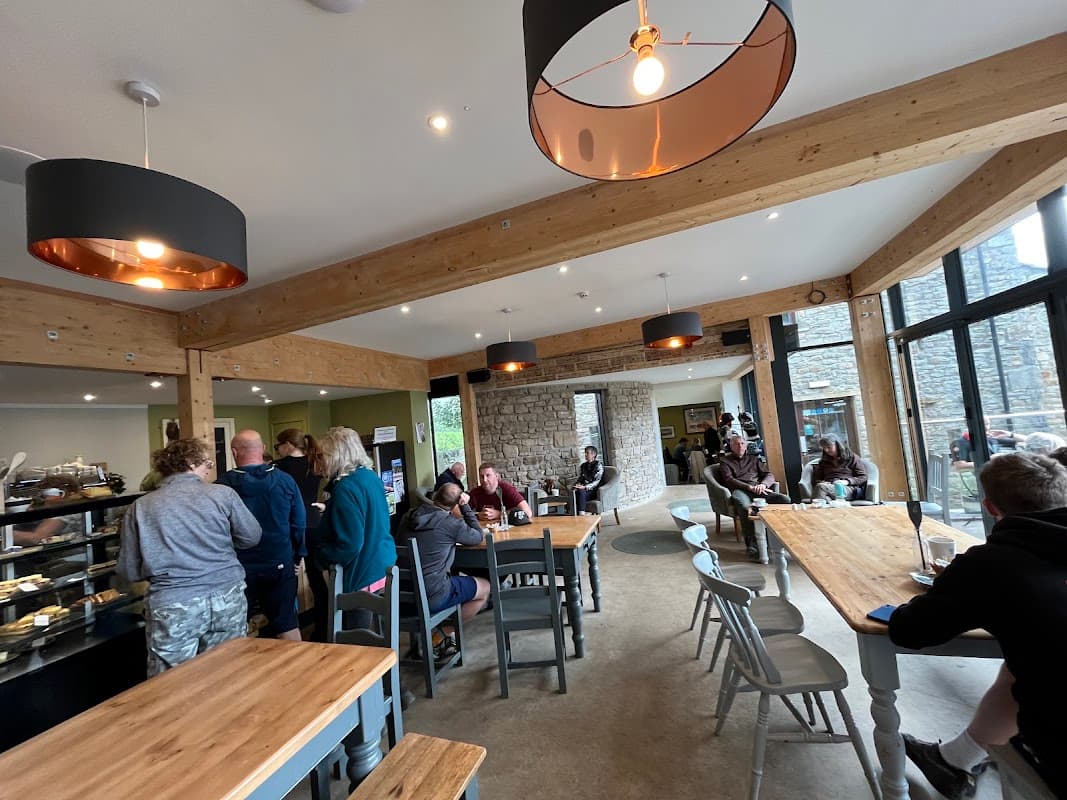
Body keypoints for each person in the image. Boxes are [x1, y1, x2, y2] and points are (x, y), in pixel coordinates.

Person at [889, 452, 1067, 799]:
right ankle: (954, 760)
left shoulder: (992, 564)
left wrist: (950, 586)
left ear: (989, 506)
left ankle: (964, 760)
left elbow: (909, 631)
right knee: (1019, 670)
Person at [117, 438, 262, 676]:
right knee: (228, 671)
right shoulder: (223, 495)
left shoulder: (141, 507)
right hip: (227, 596)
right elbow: (251, 537)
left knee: (171, 682)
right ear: (189, 463)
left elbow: (129, 570)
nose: (209, 467)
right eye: (206, 462)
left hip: (174, 603)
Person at [217, 430, 306, 641]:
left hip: (237, 568)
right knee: (286, 623)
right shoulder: (285, 481)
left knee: (235, 628)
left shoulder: (222, 486)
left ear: (233, 452)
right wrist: (298, 554)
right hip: (279, 561)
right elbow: (299, 522)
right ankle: (296, 671)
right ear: (264, 449)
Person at [316, 427, 397, 602]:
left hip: (360, 572)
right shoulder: (371, 476)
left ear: (336, 455)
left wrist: (322, 558)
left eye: (323, 455)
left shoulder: (345, 488)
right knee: (381, 628)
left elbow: (350, 544)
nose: (321, 461)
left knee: (353, 629)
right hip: (382, 563)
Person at [397, 483, 489, 623]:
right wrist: (465, 507)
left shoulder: (408, 516)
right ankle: (446, 634)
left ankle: (437, 630)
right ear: (457, 502)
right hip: (431, 597)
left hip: (399, 596)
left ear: (435, 496)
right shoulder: (451, 524)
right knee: (485, 587)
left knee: (451, 580)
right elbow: (478, 536)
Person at [273, 428, 329, 641]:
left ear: (288, 444)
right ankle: (323, 629)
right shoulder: (315, 464)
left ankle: (290, 629)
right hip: (314, 523)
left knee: (288, 579)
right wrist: (324, 505)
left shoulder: (279, 469)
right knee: (317, 581)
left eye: (278, 445)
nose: (277, 450)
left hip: (290, 526)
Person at [718, 432, 791, 560]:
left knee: (784, 499)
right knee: (745, 507)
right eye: (736, 444)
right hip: (740, 490)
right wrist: (749, 487)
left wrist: (763, 485)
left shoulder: (754, 459)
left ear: (746, 445)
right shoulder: (725, 461)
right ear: (731, 446)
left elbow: (769, 475)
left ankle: (779, 535)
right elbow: (729, 480)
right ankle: (752, 544)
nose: (739, 446)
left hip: (758, 489)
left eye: (742, 443)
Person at [468, 462, 533, 523]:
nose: (484, 480)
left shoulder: (506, 488)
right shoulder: (475, 492)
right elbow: (459, 514)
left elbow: (527, 512)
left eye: (488, 475)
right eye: (482, 476)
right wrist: (478, 516)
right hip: (485, 531)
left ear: (496, 476)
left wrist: (499, 514)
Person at [810, 433, 868, 501]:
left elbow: (863, 477)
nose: (826, 450)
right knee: (825, 498)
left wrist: (846, 481)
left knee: (821, 488)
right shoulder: (823, 461)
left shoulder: (852, 458)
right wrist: (822, 481)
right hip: (829, 487)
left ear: (837, 445)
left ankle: (812, 509)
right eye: (824, 448)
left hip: (847, 488)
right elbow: (817, 478)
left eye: (829, 447)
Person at [572, 445, 604, 515]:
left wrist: (585, 487)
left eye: (587, 453)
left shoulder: (598, 465)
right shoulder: (583, 465)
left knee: (580, 492)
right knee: (574, 491)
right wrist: (577, 484)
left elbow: (597, 481)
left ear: (593, 454)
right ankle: (574, 515)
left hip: (593, 491)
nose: (585, 455)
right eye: (585, 453)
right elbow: (581, 478)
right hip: (584, 490)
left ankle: (581, 514)